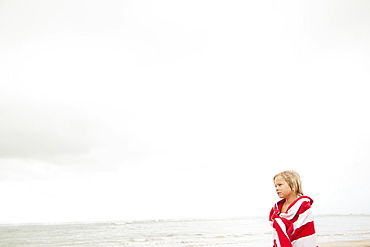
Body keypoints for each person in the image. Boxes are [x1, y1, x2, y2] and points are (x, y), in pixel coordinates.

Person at [269, 170, 318, 247]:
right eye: (276, 186)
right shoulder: (276, 208)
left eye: (280, 185)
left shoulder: (303, 205)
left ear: (293, 186)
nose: (277, 188)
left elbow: (304, 231)